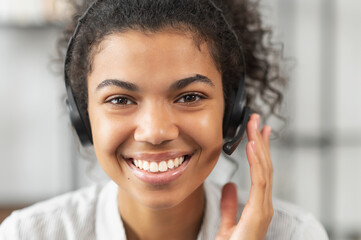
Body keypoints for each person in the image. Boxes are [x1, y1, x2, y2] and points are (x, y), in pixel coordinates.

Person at [0, 0, 328, 239]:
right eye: (120, 99)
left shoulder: (296, 234)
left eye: (189, 97)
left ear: (232, 112)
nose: (156, 132)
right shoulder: (28, 234)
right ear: (83, 117)